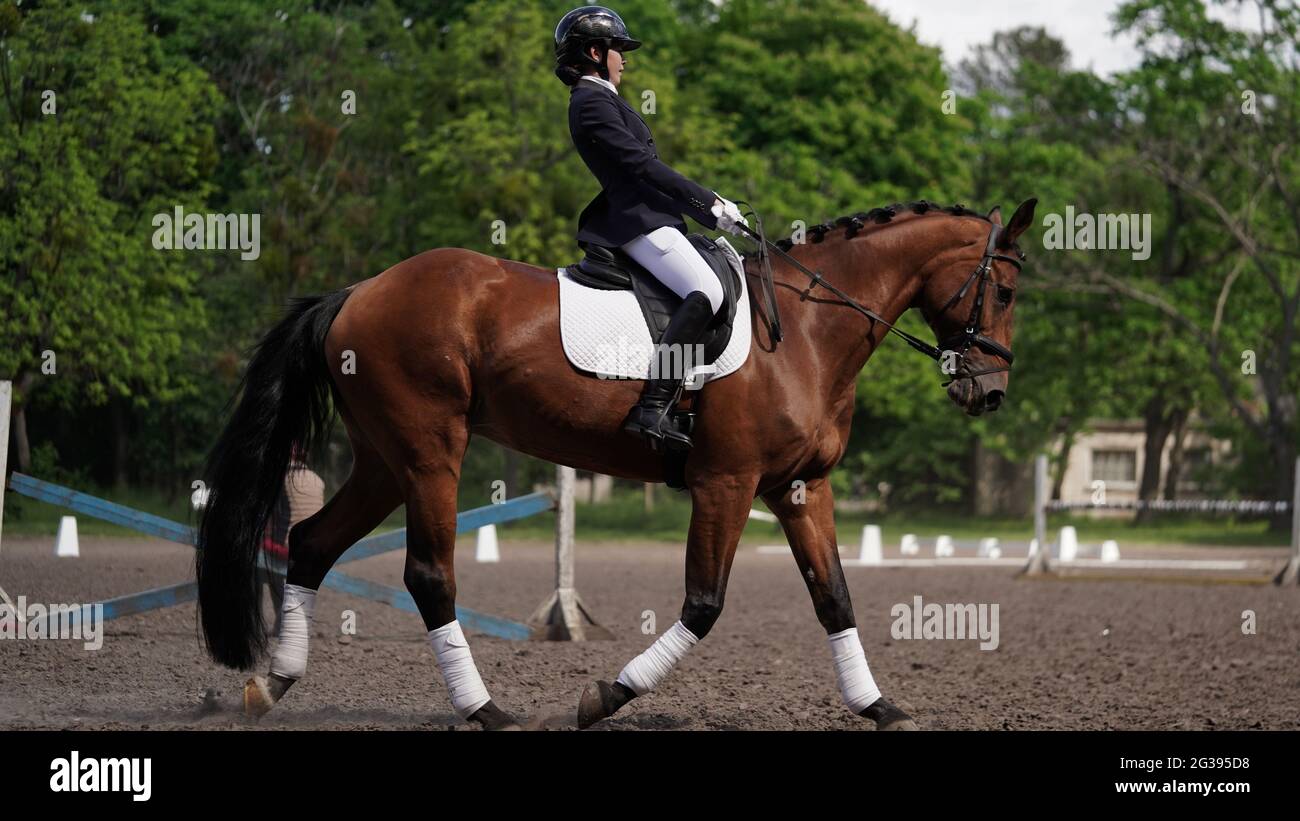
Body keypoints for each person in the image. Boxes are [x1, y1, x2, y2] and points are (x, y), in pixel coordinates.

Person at [554, 6, 749, 451]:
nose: (625, 59)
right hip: (633, 219)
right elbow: (642, 167)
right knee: (707, 292)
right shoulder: (590, 102)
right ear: (594, 52)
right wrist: (709, 202)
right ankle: (653, 406)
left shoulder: (604, 99)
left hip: (650, 215)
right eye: (618, 50)